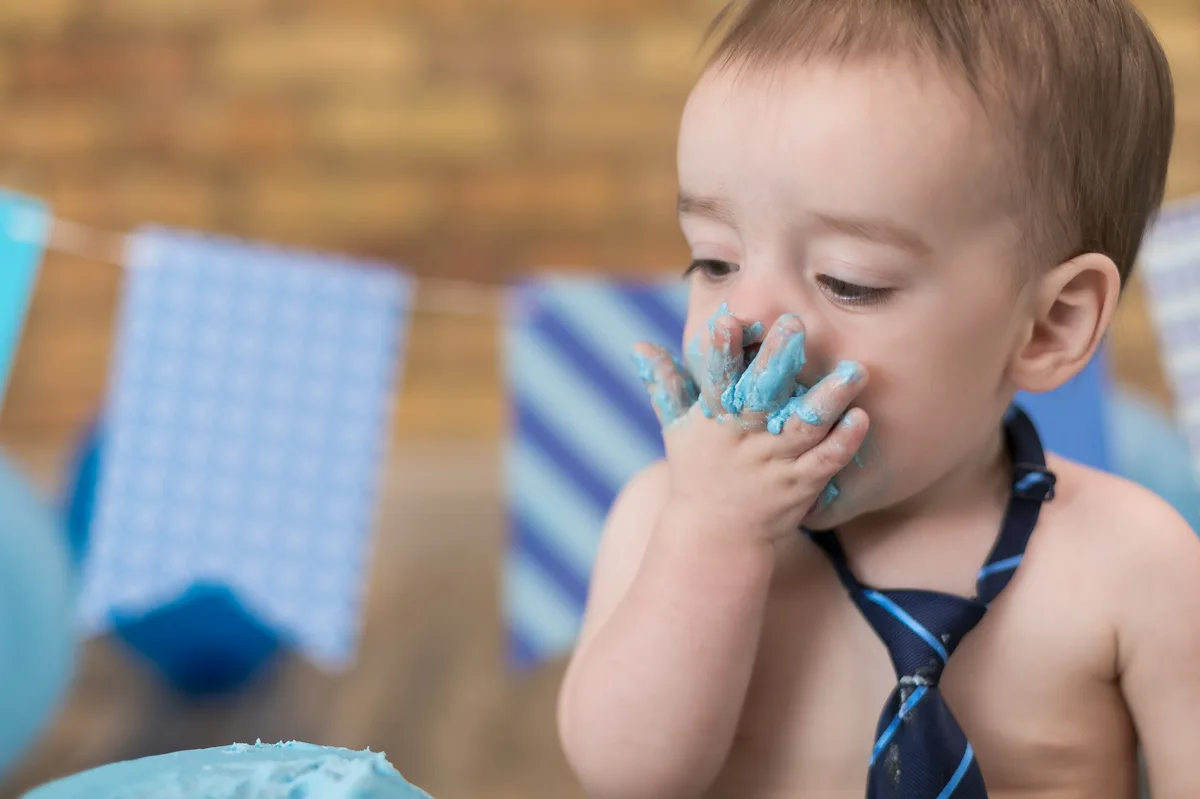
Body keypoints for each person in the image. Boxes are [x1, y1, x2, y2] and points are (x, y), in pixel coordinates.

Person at [555, 1, 1200, 797]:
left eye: (849, 280)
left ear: (1048, 326)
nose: (748, 320)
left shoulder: (1136, 562)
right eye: (714, 262)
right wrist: (713, 537)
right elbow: (625, 776)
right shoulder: (664, 523)